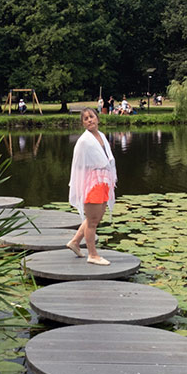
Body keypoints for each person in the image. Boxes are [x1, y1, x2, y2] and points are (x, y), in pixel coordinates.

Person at [65, 108, 117, 266]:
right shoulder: (84, 141)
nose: (89, 120)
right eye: (86, 118)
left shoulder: (101, 136)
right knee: (93, 221)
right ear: (83, 123)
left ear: (98, 119)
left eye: (91, 117)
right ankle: (92, 254)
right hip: (92, 183)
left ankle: (75, 242)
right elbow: (78, 165)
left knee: (94, 218)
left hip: (103, 181)